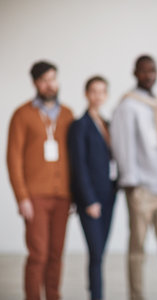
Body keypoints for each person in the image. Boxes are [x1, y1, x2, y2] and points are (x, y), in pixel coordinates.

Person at [110, 55, 157, 300]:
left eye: (153, 70)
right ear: (135, 72)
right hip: (142, 190)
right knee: (137, 250)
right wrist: (132, 184)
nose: (149, 75)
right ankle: (136, 296)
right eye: (144, 71)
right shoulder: (127, 106)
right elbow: (123, 146)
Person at [6, 61, 74, 300]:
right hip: (35, 197)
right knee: (38, 255)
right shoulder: (22, 114)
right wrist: (22, 197)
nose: (50, 84)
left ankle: (54, 295)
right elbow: (13, 159)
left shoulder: (67, 114)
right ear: (35, 83)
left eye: (53, 78)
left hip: (63, 196)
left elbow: (74, 157)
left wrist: (75, 193)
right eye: (44, 80)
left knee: (56, 254)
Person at [68, 76, 117, 300]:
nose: (98, 96)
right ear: (86, 94)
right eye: (94, 91)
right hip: (92, 200)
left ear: (106, 95)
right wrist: (88, 200)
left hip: (109, 197)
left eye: (102, 91)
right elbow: (78, 165)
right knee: (96, 253)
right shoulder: (80, 126)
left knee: (101, 253)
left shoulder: (107, 124)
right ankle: (96, 296)